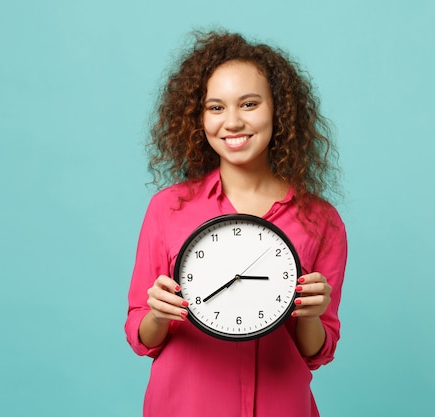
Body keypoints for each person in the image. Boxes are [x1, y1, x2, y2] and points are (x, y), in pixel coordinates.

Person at [125, 30, 348, 417]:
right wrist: (158, 314)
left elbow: (316, 352)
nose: (232, 122)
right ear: (198, 118)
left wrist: (310, 314)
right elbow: (141, 336)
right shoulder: (168, 208)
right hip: (184, 406)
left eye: (248, 104)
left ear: (278, 110)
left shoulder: (321, 220)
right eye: (215, 107)